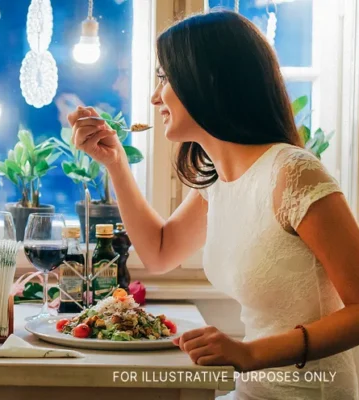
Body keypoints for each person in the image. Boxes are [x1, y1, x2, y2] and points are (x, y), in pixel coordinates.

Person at [70, 10, 359, 400]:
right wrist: (116, 164)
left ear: (206, 81)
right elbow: (158, 252)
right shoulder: (220, 181)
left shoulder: (293, 173)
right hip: (250, 390)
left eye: (165, 79)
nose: (156, 97)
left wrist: (248, 353)